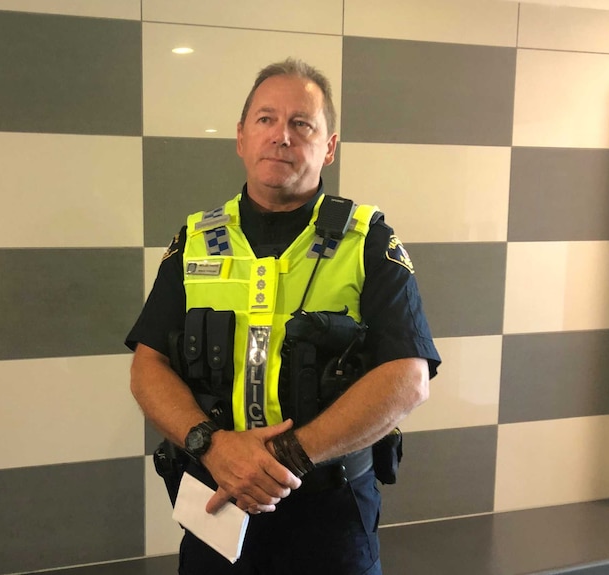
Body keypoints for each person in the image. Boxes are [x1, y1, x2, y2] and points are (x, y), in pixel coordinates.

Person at [126, 58, 441, 575]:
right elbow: (147, 368)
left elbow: (408, 377)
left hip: (329, 515)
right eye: (266, 120)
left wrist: (284, 459)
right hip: (217, 501)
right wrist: (212, 446)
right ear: (241, 137)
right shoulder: (194, 240)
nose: (282, 136)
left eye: (302, 124)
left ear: (329, 146)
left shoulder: (369, 241)